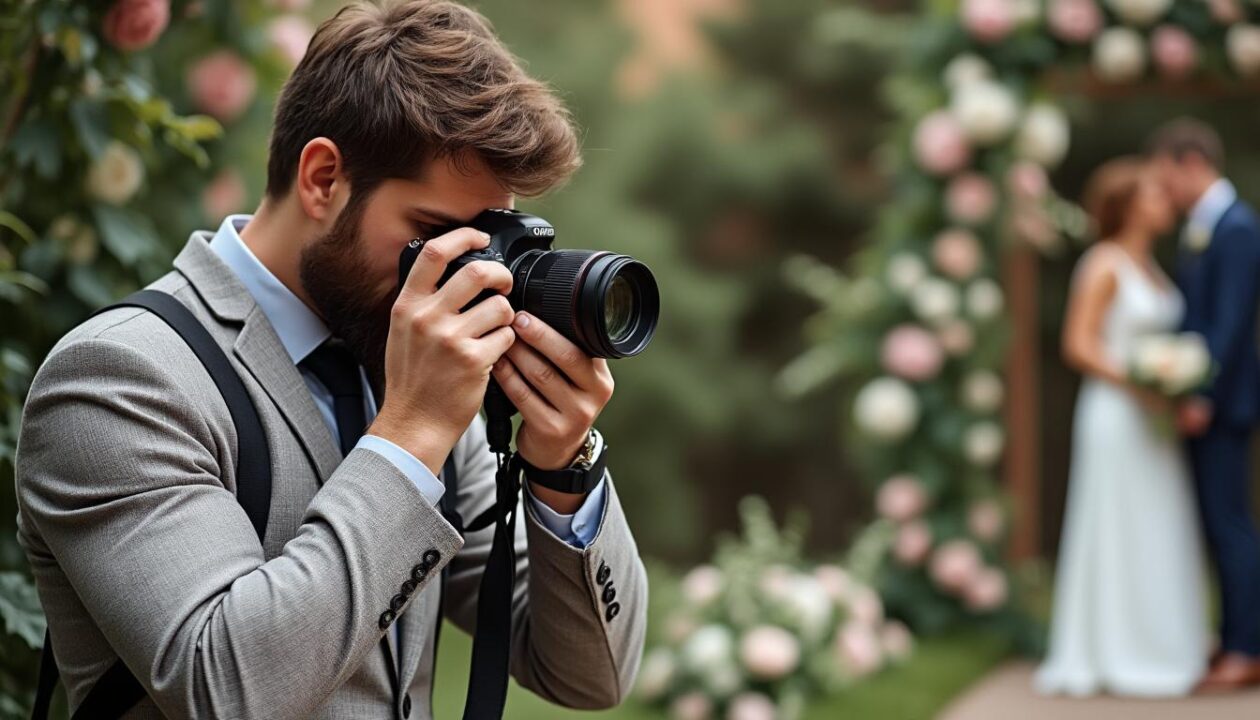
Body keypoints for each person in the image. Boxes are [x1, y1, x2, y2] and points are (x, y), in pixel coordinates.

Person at [15, 1, 647, 717]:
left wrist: (564, 464)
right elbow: (229, 690)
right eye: (435, 234)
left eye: (485, 240)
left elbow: (591, 677)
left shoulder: (407, 369)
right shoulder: (119, 378)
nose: (465, 276)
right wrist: (411, 432)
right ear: (322, 179)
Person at [1035, 157, 1207, 697]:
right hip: (1115, 413)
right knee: (1116, 521)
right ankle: (1111, 648)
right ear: (1128, 205)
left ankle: (1162, 644)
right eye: (1154, 195)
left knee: (1159, 522)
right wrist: (1143, 382)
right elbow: (1078, 344)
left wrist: (1171, 384)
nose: (1165, 203)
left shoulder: (1152, 266)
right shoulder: (1104, 263)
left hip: (1152, 416)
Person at [1149, 118, 1260, 692]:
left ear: (1190, 162)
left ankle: (1249, 648)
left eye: (1166, 173)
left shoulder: (1237, 227)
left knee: (1231, 522)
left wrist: (1202, 393)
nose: (1163, 188)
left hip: (1225, 403)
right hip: (1210, 401)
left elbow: (1231, 325)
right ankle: (1232, 636)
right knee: (1217, 524)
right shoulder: (1205, 227)